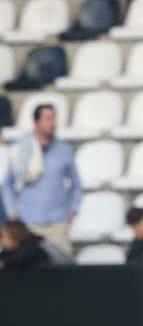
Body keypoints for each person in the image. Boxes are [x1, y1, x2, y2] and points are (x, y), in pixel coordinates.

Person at [2, 104, 81, 256]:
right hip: (29, 222)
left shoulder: (64, 150)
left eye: (54, 118)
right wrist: (12, 212)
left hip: (58, 222)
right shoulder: (21, 149)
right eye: (48, 119)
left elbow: (76, 185)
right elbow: (8, 185)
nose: (52, 123)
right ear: (36, 122)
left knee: (61, 263)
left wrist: (73, 209)